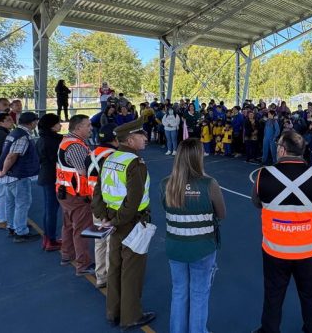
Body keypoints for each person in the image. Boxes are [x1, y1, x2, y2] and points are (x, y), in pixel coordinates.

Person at [251, 131, 312, 333]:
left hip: (275, 249)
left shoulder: (263, 175)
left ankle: (269, 329)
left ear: (281, 149)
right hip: (309, 250)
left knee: (273, 294)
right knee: (310, 294)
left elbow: (256, 202)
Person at [93, 117, 156, 329]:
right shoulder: (135, 163)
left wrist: (105, 217)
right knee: (132, 270)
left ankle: (113, 311)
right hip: (131, 222)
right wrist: (118, 220)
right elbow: (134, 199)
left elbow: (98, 192)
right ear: (130, 139)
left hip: (113, 220)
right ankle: (131, 316)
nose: (145, 138)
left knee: (115, 267)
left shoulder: (110, 159)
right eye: (141, 135)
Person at [161, 138, 226, 333]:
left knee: (179, 292)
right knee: (199, 293)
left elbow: (165, 207)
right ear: (198, 158)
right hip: (203, 247)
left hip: (175, 246)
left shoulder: (166, 184)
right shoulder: (209, 184)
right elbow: (222, 214)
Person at [55, 114, 95, 275]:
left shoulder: (66, 142)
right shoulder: (76, 146)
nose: (91, 128)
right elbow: (83, 172)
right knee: (82, 228)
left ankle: (67, 254)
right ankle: (83, 264)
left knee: (69, 225)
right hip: (76, 194)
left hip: (65, 191)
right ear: (78, 128)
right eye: (88, 125)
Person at [0, 112, 40, 243]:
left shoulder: (14, 133)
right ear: (32, 123)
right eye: (36, 122)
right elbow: (12, 156)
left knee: (11, 202)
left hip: (10, 176)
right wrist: (4, 170)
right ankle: (20, 231)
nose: (36, 124)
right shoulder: (23, 136)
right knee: (23, 203)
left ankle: (12, 226)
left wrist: (3, 171)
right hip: (17, 175)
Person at [88, 124, 120, 289]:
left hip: (95, 203)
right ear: (115, 139)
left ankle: (101, 276)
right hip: (109, 204)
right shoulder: (114, 156)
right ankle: (111, 276)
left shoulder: (92, 154)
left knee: (99, 241)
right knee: (111, 242)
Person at [35, 113, 64, 252]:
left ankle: (48, 238)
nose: (60, 125)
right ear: (52, 126)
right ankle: (51, 239)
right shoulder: (54, 141)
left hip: (45, 176)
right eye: (58, 123)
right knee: (52, 209)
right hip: (54, 177)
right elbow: (57, 160)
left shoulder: (41, 139)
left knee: (49, 209)